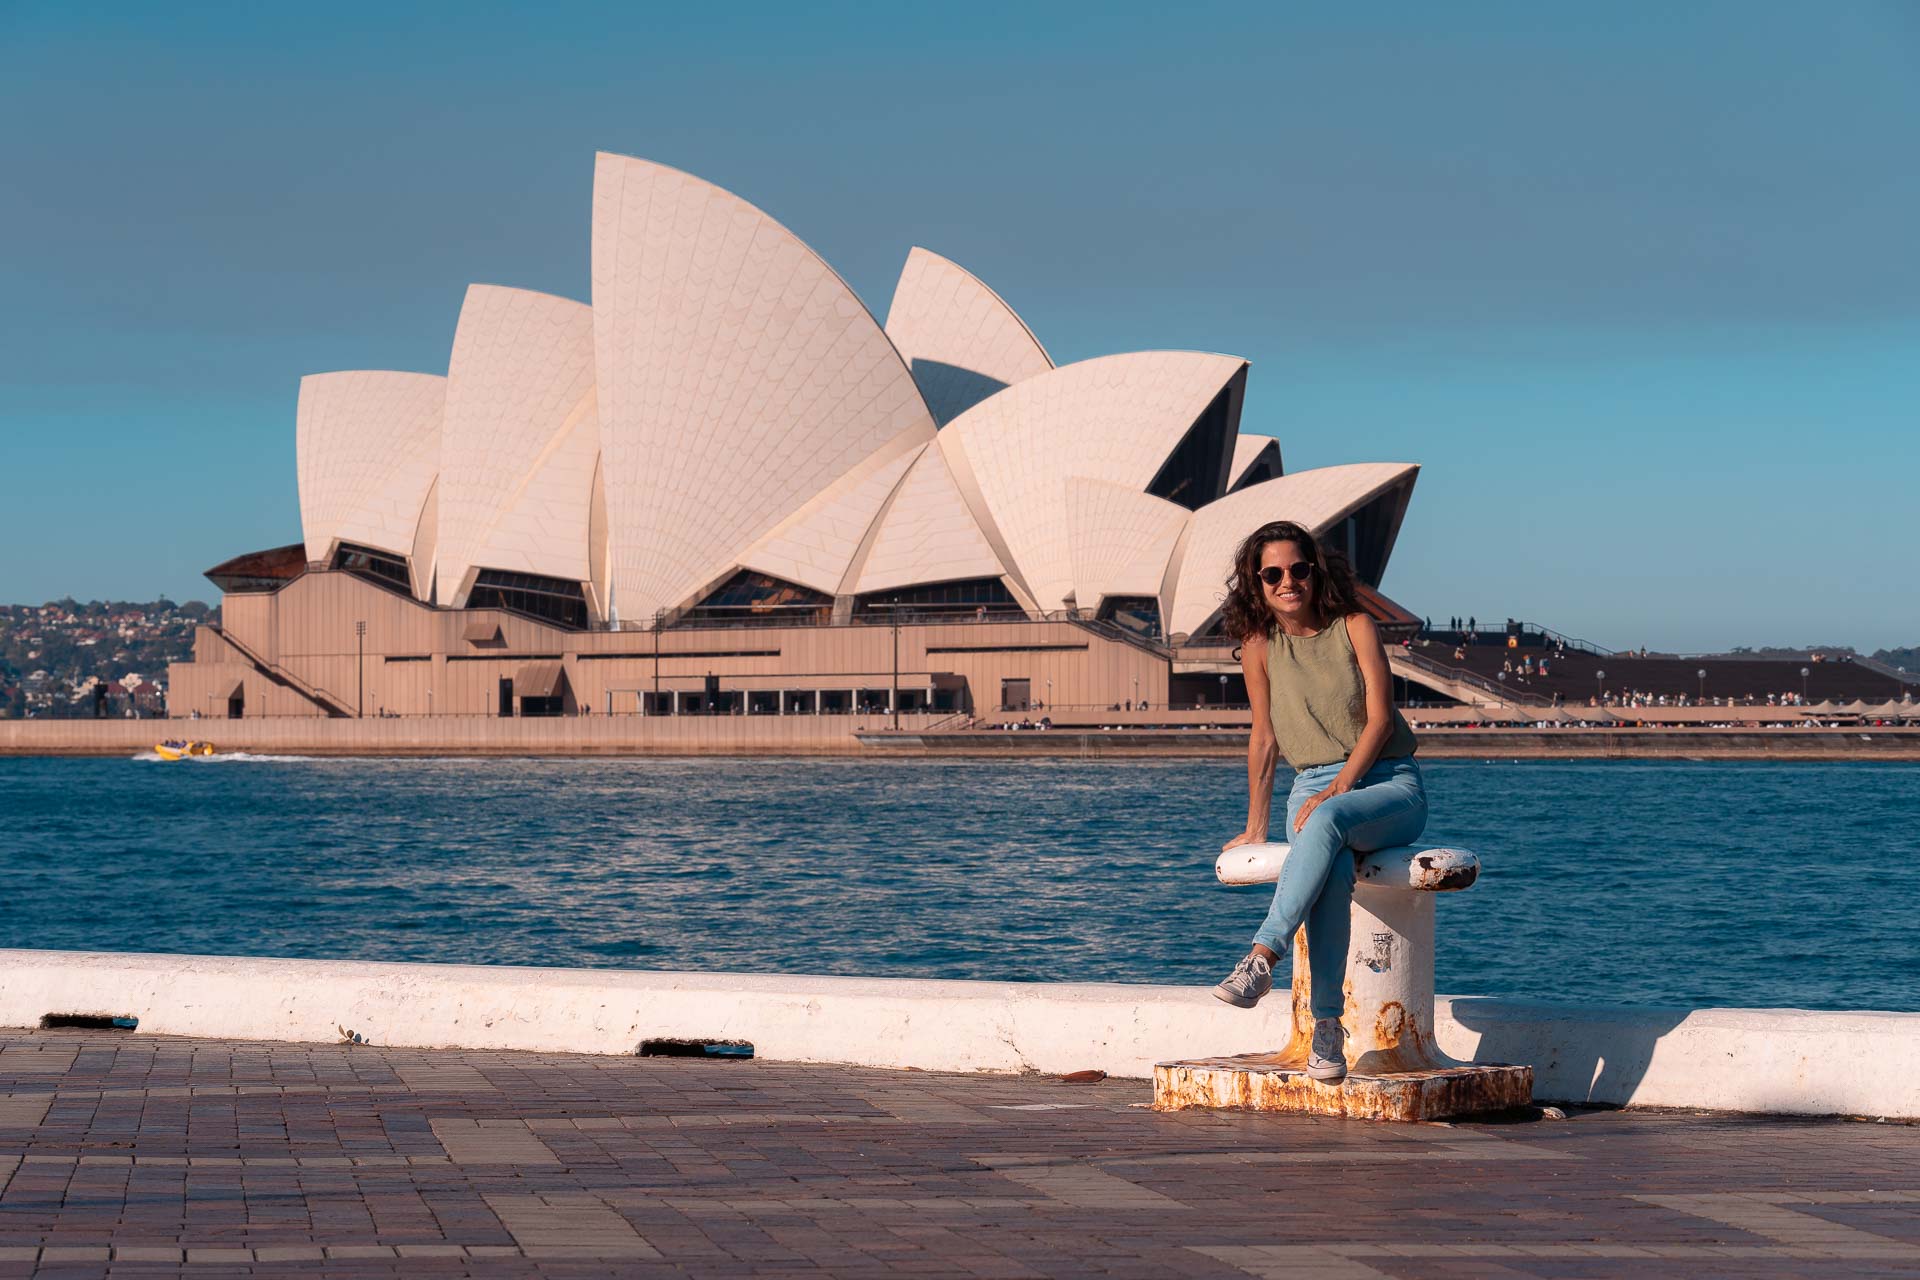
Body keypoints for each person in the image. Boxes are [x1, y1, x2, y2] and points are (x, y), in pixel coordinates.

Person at [1210, 519, 1426, 1084]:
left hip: (1387, 783)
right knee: (1328, 870)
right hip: (1312, 788)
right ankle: (1327, 1029)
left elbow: (1380, 722)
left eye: (1298, 569)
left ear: (1315, 571)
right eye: (1273, 573)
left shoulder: (1354, 626)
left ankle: (1262, 956)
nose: (1288, 582)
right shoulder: (1259, 647)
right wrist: (1255, 824)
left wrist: (1339, 788)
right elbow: (1264, 735)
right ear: (1255, 583)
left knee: (1325, 822)